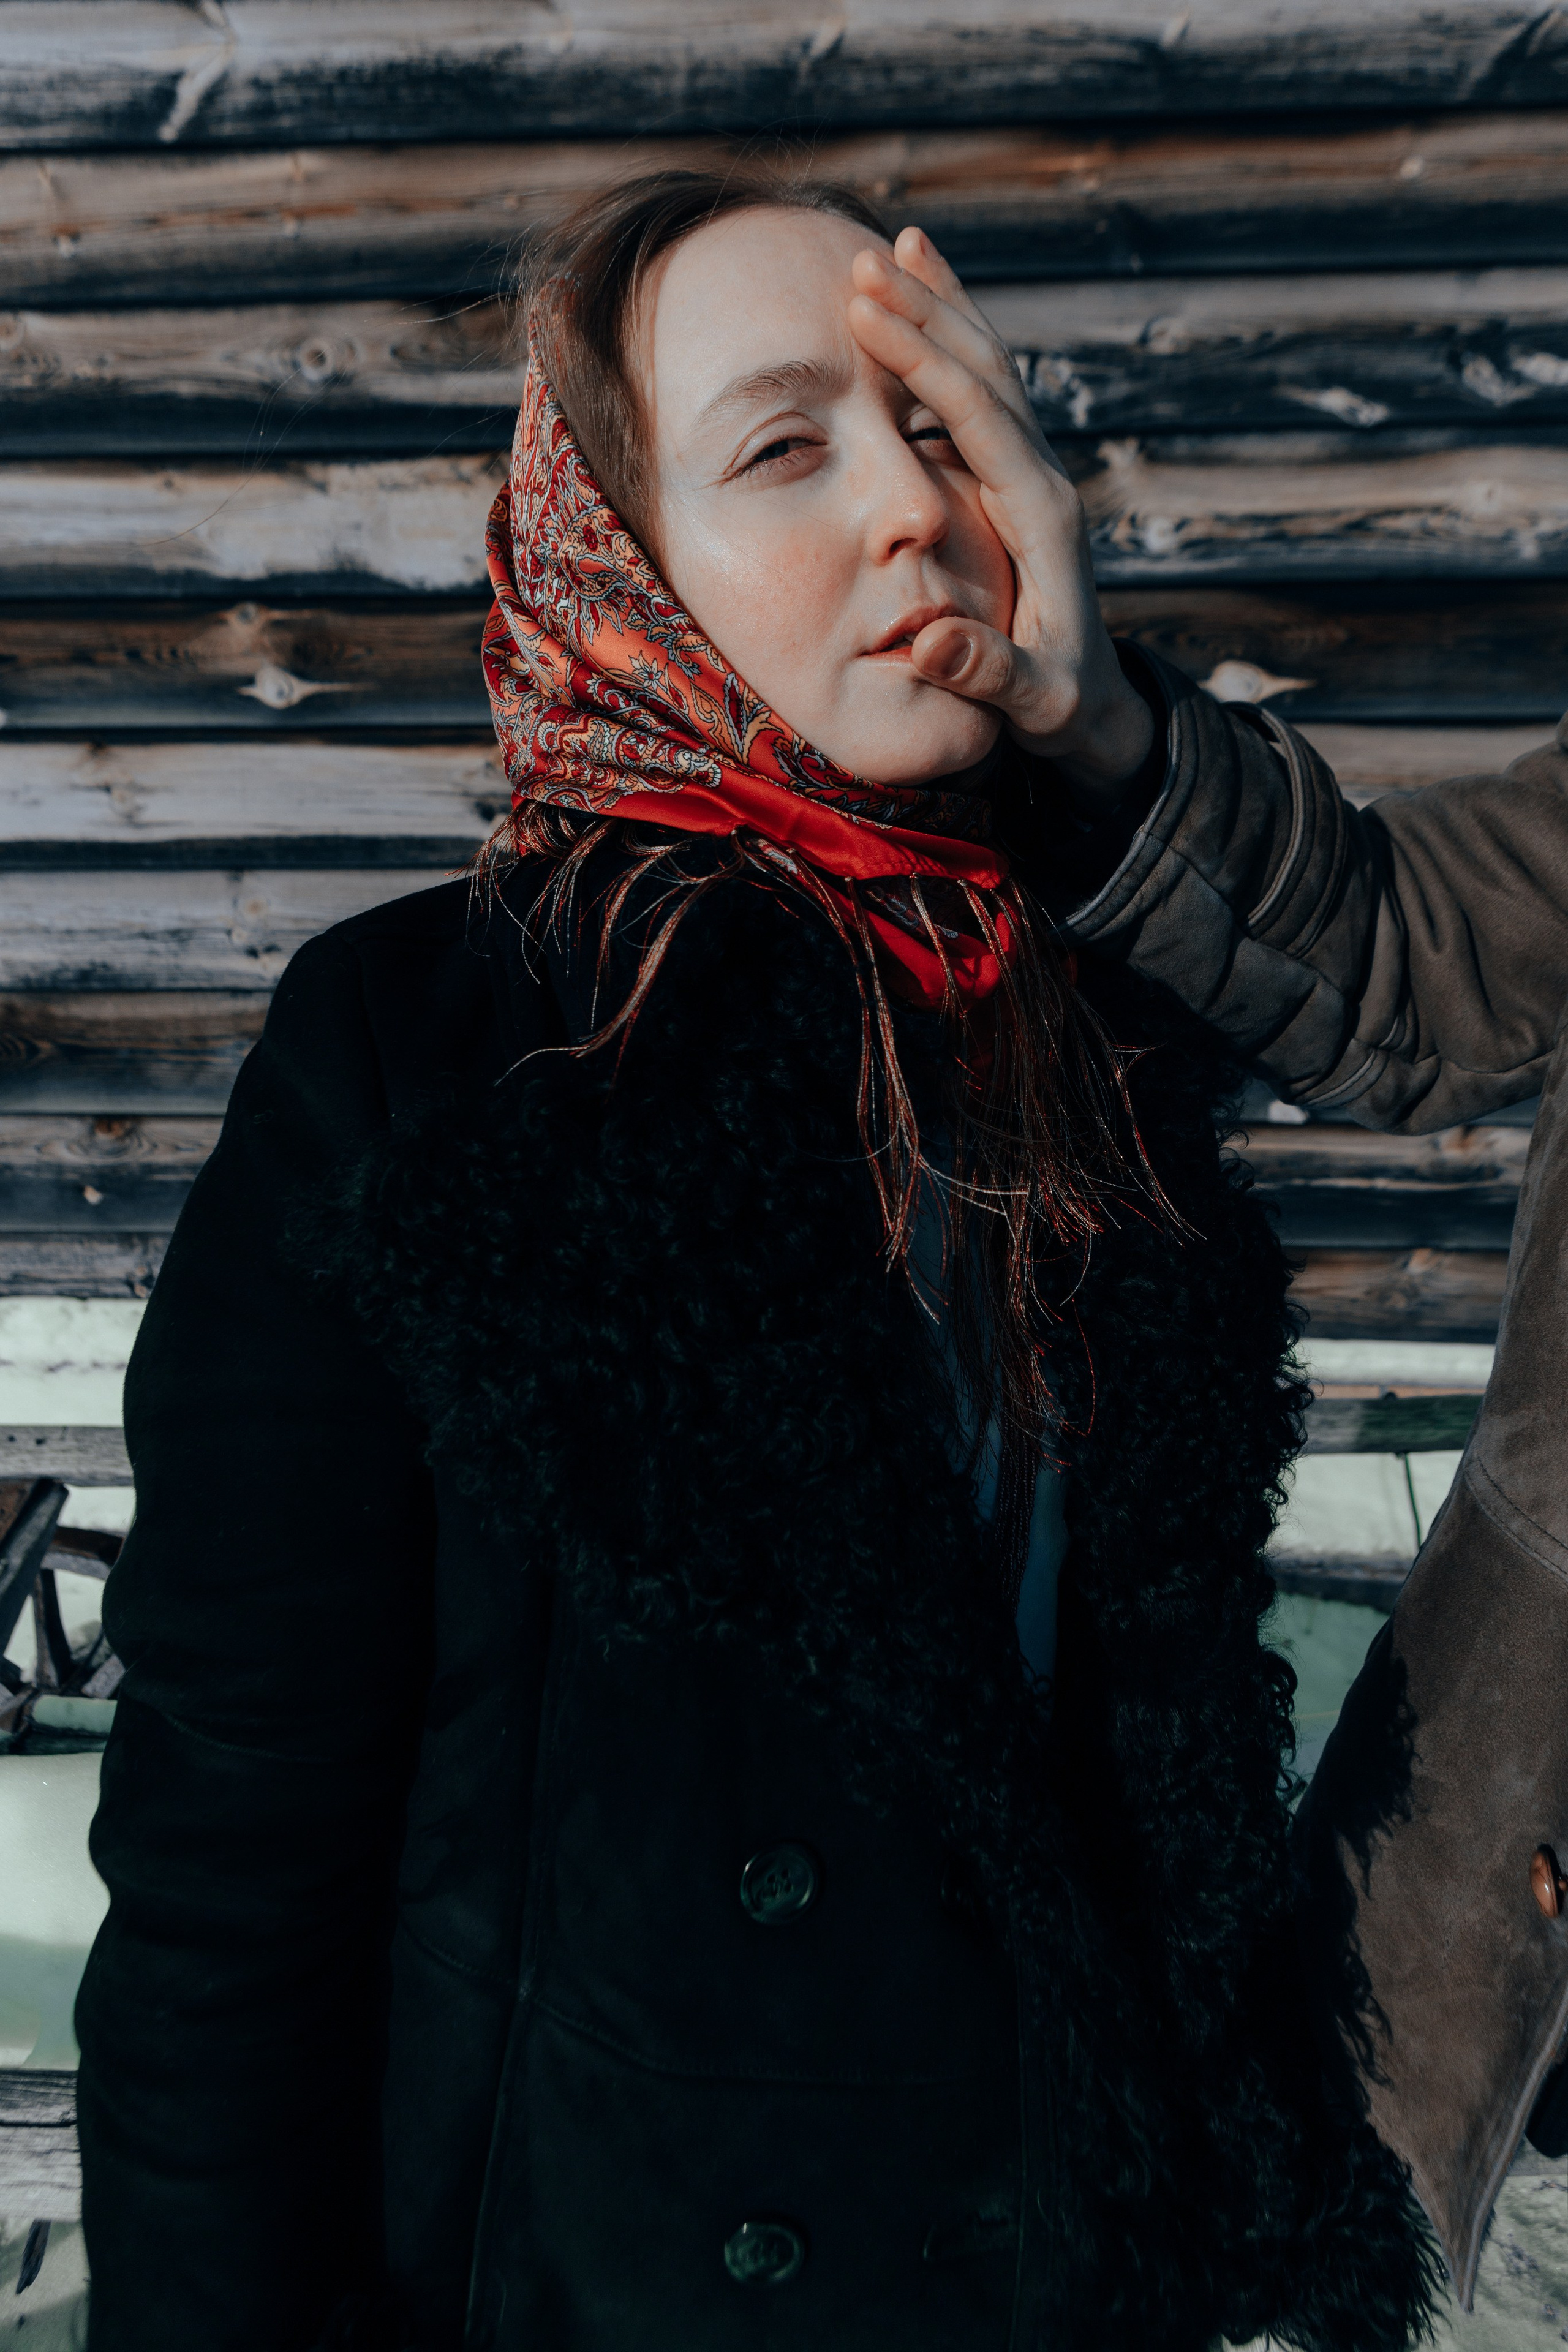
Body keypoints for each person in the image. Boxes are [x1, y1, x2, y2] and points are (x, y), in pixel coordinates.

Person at [73, 171, 1438, 2351]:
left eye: (944, 434)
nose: (911, 513)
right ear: (619, 567)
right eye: (786, 447)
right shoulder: (425, 1061)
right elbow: (233, 1899)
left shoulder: (1086, 1042)